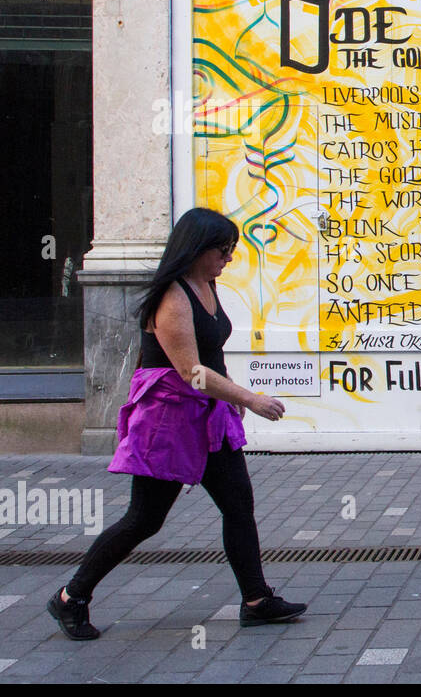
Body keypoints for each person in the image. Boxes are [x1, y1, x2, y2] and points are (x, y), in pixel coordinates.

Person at [47, 207, 306, 640]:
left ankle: (257, 600)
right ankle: (70, 598)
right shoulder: (171, 297)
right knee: (144, 519)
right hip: (168, 422)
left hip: (207, 418)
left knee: (238, 505)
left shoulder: (207, 283)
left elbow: (211, 356)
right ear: (197, 249)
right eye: (223, 250)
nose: (228, 259)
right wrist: (250, 398)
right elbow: (192, 372)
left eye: (231, 250)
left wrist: (231, 399)